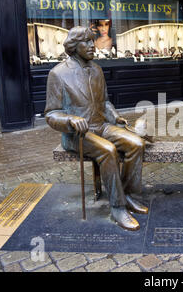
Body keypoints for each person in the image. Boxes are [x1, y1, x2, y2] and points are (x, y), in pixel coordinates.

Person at [45, 26, 147, 231]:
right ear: (74, 47)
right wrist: (70, 120)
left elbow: (105, 102)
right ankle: (117, 207)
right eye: (87, 42)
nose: (93, 45)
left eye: (93, 41)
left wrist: (114, 115)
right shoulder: (58, 74)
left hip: (102, 125)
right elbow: (51, 114)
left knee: (136, 143)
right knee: (107, 150)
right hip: (77, 134)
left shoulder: (97, 69)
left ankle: (127, 195)